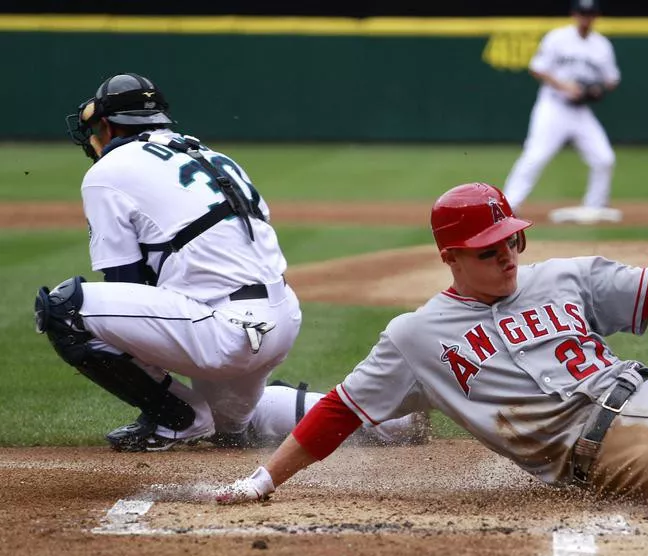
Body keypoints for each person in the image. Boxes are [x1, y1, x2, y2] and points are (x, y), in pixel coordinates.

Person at [215, 179, 648, 516]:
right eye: (489, 249)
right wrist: (263, 480)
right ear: (450, 256)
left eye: (511, 240)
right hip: (611, 451)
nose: (508, 256)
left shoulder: (564, 277)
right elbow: (341, 409)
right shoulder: (415, 337)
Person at [34, 72, 427, 453]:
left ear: (107, 125)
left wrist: (150, 369)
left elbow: (124, 282)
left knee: (66, 308)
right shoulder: (206, 153)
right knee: (235, 423)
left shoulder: (108, 171)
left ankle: (175, 417)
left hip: (223, 331)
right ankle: (390, 420)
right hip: (279, 318)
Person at [503, 0, 621, 225]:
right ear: (574, 14)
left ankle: (595, 205)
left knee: (604, 158)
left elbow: (611, 80)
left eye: (590, 14)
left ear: (596, 16)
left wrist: (596, 89)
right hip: (553, 108)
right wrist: (565, 86)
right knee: (535, 156)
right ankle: (509, 205)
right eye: (582, 13)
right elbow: (537, 68)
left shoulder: (602, 45)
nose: (586, 18)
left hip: (580, 111)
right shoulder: (557, 38)